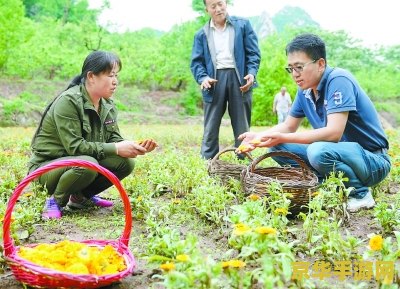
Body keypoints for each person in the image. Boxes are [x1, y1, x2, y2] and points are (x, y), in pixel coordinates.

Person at [237, 33, 391, 212]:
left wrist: (282, 136)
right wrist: (260, 136)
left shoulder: (339, 80)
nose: (295, 75)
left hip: (372, 161)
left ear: (320, 64)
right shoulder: (305, 91)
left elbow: (334, 133)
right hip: (340, 156)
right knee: (278, 148)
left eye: (299, 67)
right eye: (291, 69)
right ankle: (327, 183)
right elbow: (288, 126)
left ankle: (360, 193)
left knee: (317, 150)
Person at [28, 50, 157, 219]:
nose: (115, 82)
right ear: (91, 76)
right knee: (87, 164)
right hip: (46, 170)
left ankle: (80, 198)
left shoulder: (107, 105)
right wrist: (116, 148)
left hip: (78, 164)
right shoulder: (69, 102)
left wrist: (133, 146)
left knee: (125, 163)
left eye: (116, 76)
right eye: (110, 75)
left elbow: (114, 139)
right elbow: (75, 148)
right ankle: (55, 202)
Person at [190, 0, 261, 160]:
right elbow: (196, 62)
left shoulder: (242, 25)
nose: (218, 8)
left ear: (225, 4)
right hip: (214, 81)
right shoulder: (201, 34)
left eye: (220, 3)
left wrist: (251, 73)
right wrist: (203, 78)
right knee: (210, 127)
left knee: (242, 125)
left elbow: (253, 54)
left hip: (240, 79)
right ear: (207, 9)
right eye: (213, 6)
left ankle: (244, 163)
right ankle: (208, 162)